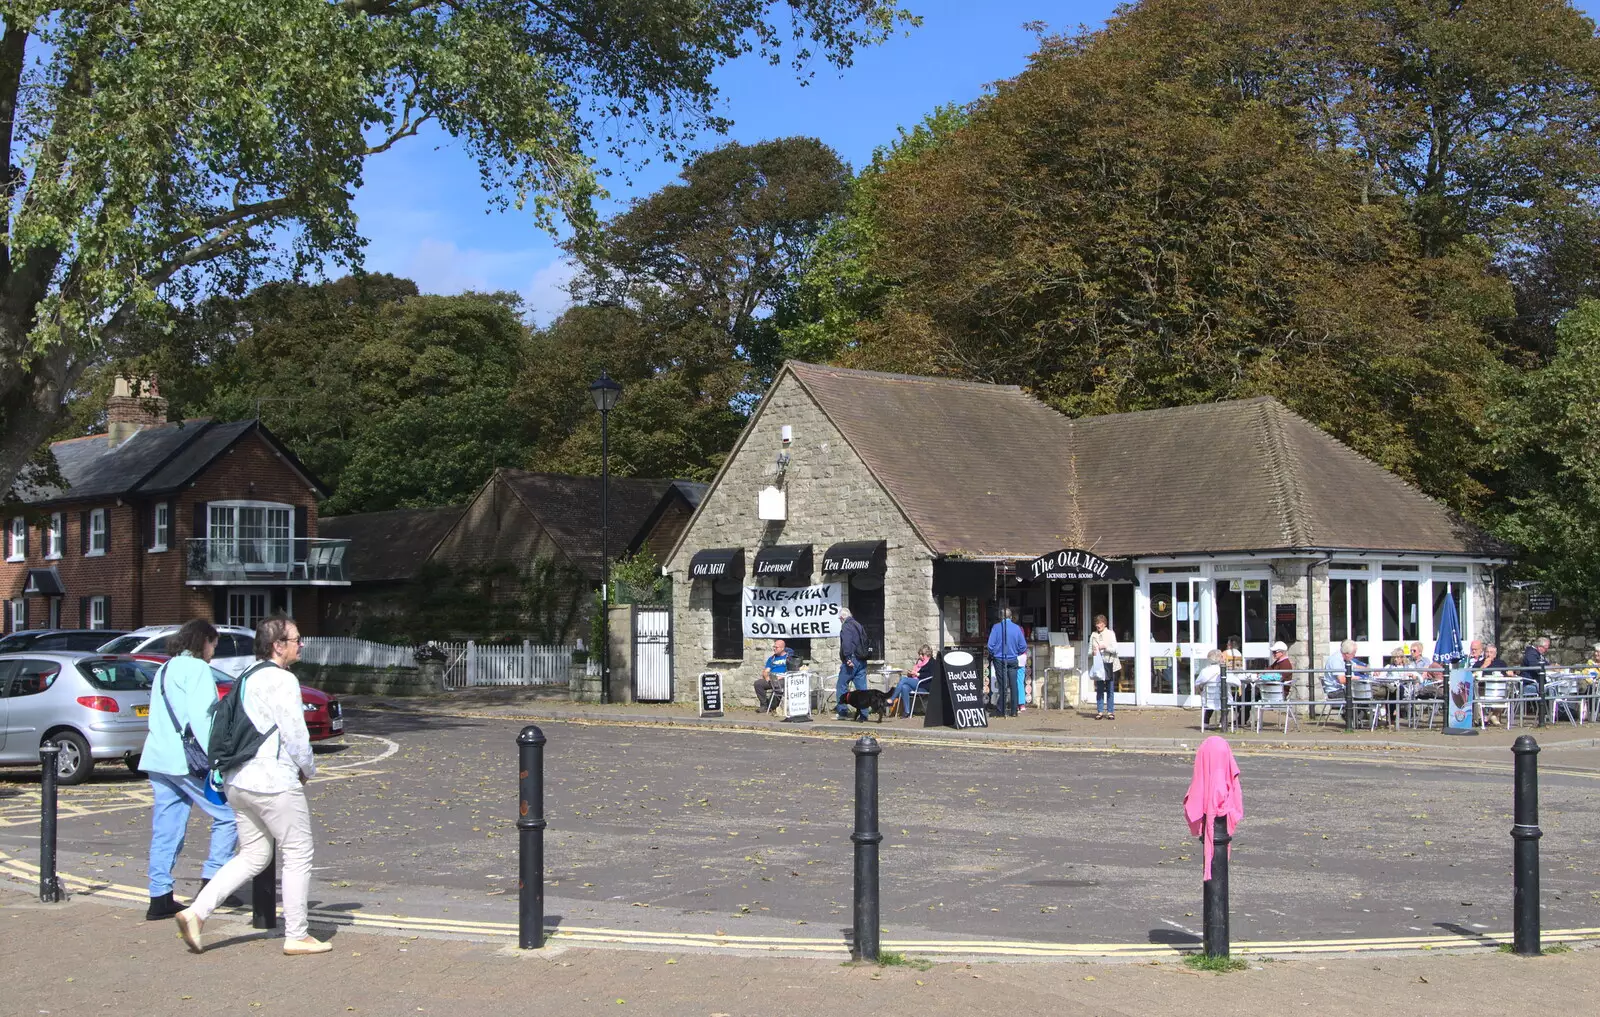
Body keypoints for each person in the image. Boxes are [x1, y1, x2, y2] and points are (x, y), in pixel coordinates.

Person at [175, 614, 329, 956]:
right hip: (272, 781)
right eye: (296, 639)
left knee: (255, 854)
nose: (300, 645)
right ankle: (297, 934)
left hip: (238, 781)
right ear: (278, 646)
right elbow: (294, 734)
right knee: (298, 852)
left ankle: (196, 912)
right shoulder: (282, 680)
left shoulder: (246, 675)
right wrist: (309, 768)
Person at [139, 618, 241, 920]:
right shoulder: (197, 669)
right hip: (187, 762)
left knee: (166, 827)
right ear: (204, 641)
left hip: (158, 758)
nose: (214, 652)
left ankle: (159, 896)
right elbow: (204, 718)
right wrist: (219, 758)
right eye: (214, 645)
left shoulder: (165, 667)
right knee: (228, 815)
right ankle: (214, 884)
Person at [986, 608, 1026, 718]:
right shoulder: (1017, 628)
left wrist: (995, 653)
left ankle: (1001, 710)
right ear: (1011, 617)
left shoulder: (996, 627)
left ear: (1000, 617)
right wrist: (1016, 652)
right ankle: (1014, 711)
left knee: (1002, 685)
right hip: (1013, 659)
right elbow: (1023, 646)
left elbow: (990, 645)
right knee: (1014, 685)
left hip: (999, 659)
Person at [835, 608, 869, 722]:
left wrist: (848, 658)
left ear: (842, 617)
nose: (840, 621)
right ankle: (864, 714)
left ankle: (842, 711)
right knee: (862, 689)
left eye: (840, 619)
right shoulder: (858, 625)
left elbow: (847, 642)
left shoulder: (846, 626)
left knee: (842, 685)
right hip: (861, 660)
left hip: (852, 660)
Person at [889, 645, 936, 718]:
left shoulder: (932, 662)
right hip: (916, 683)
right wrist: (911, 674)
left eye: (921, 654)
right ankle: (907, 711)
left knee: (903, 679)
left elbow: (931, 675)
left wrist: (917, 674)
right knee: (904, 687)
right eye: (919, 654)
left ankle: (892, 699)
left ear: (927, 654)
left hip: (924, 685)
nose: (920, 656)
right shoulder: (920, 663)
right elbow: (915, 674)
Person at [1088, 614, 1118, 720]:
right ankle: (1100, 711)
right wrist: (1094, 651)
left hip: (1109, 664)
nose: (1098, 625)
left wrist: (1105, 647)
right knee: (1099, 689)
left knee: (1110, 688)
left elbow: (1115, 649)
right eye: (1096, 623)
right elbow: (1089, 652)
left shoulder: (1110, 634)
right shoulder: (1093, 635)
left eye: (1100, 623)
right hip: (1098, 665)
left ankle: (1110, 712)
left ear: (1104, 624)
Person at [753, 639, 795, 713]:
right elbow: (766, 671)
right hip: (772, 679)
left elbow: (791, 671)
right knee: (758, 683)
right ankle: (764, 706)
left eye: (776, 647)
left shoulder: (789, 658)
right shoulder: (772, 659)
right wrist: (766, 677)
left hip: (783, 678)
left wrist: (780, 677)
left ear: (782, 648)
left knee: (779, 684)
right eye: (774, 647)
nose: (774, 648)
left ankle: (776, 706)